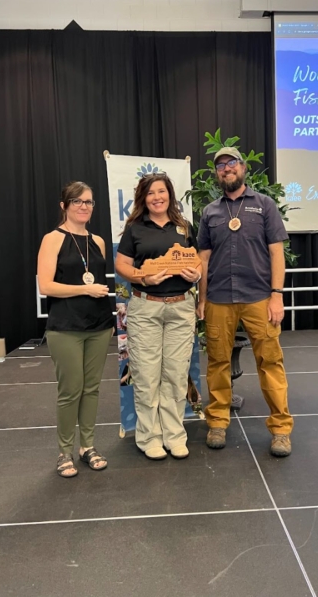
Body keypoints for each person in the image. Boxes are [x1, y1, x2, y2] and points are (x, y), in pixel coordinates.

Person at [196, 147, 294, 457]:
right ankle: (218, 422)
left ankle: (280, 429)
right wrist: (201, 299)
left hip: (259, 298)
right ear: (217, 174)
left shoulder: (264, 206)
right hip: (219, 299)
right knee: (217, 363)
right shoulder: (210, 212)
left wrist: (277, 295)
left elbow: (277, 253)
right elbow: (204, 258)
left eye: (231, 163)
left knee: (270, 363)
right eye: (220, 166)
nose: (226, 169)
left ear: (242, 168)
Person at [114, 173, 200, 461]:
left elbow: (197, 261)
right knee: (147, 376)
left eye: (161, 192)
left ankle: (175, 436)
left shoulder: (184, 227)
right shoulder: (135, 229)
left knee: (175, 375)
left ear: (170, 195)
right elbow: (122, 265)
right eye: (151, 193)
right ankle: (149, 437)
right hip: (146, 307)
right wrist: (144, 277)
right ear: (143, 198)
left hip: (181, 308)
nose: (157, 197)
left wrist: (196, 274)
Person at [37, 181, 114, 478]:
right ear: (64, 205)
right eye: (77, 201)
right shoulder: (52, 239)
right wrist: (85, 291)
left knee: (92, 389)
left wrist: (101, 309)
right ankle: (64, 452)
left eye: (89, 202)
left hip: (98, 325)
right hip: (65, 327)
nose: (84, 206)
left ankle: (88, 447)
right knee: (70, 391)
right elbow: (46, 286)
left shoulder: (98, 241)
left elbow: (96, 284)